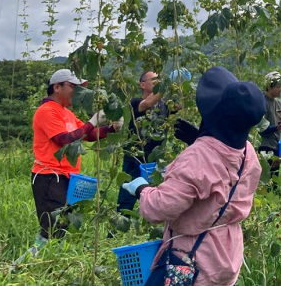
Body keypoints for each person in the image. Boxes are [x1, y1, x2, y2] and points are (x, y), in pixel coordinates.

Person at [122, 67, 265, 286]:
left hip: (193, 260)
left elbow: (159, 207)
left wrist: (142, 189)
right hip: (226, 254)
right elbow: (219, 176)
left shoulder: (197, 158)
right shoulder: (248, 153)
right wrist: (199, 139)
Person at [29, 69, 123, 250]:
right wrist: (92, 121)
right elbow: (63, 139)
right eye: (73, 87)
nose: (78, 92)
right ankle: (27, 265)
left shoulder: (66, 113)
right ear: (57, 87)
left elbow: (88, 135)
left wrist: (112, 128)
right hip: (49, 177)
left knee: (61, 226)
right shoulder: (47, 111)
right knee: (52, 229)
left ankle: (47, 263)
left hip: (66, 177)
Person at [117, 71, 169, 213]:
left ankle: (147, 230)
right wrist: (166, 84)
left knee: (156, 198)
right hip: (135, 158)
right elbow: (148, 103)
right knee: (126, 199)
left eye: (160, 79)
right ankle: (115, 231)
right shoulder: (134, 104)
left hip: (156, 162)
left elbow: (181, 105)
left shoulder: (164, 105)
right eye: (155, 80)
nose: (158, 82)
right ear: (142, 85)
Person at [255, 70, 281, 177]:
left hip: (276, 145)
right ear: (269, 87)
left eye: (280, 87)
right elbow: (261, 127)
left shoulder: (278, 103)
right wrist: (276, 128)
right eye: (277, 87)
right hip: (265, 146)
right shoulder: (262, 102)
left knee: (275, 178)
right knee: (266, 178)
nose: (280, 89)